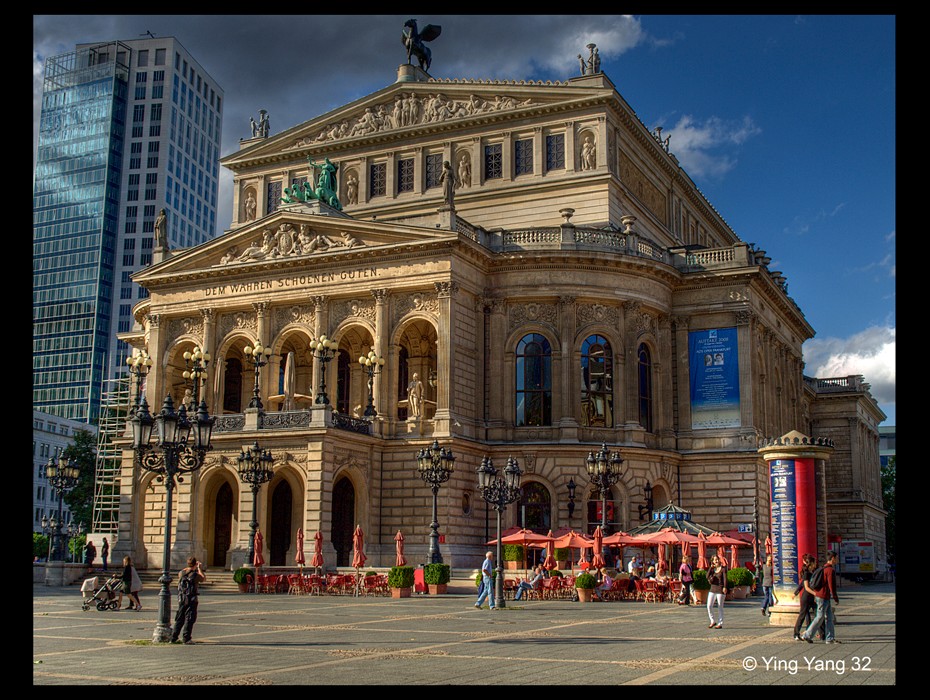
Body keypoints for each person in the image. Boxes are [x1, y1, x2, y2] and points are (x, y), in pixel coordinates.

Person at [801, 551, 840, 644]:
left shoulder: (824, 568)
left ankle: (830, 638)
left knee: (829, 618)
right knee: (819, 617)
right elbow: (831, 585)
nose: (837, 560)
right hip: (822, 596)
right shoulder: (830, 570)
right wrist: (835, 597)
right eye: (836, 558)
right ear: (833, 558)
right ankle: (807, 635)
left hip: (823, 596)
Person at [171, 556, 206, 644]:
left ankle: (173, 637)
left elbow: (181, 575)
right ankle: (186, 638)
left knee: (179, 618)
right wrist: (199, 569)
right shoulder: (195, 575)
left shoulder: (181, 573)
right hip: (192, 598)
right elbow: (203, 578)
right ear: (195, 564)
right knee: (189, 618)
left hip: (182, 598)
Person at [793, 553, 818, 641]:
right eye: (814, 563)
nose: (815, 564)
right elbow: (804, 586)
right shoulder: (807, 573)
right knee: (802, 615)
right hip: (806, 597)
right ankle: (796, 633)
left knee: (818, 615)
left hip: (811, 597)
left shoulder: (812, 572)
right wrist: (816, 594)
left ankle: (820, 633)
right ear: (811, 563)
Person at [706, 554, 727, 629]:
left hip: (720, 589)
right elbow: (707, 576)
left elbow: (725, 579)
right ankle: (712, 620)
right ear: (712, 561)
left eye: (717, 559)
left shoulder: (723, 569)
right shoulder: (712, 569)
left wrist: (725, 587)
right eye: (715, 560)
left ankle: (720, 623)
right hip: (712, 589)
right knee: (709, 605)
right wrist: (710, 568)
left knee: (720, 606)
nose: (716, 561)